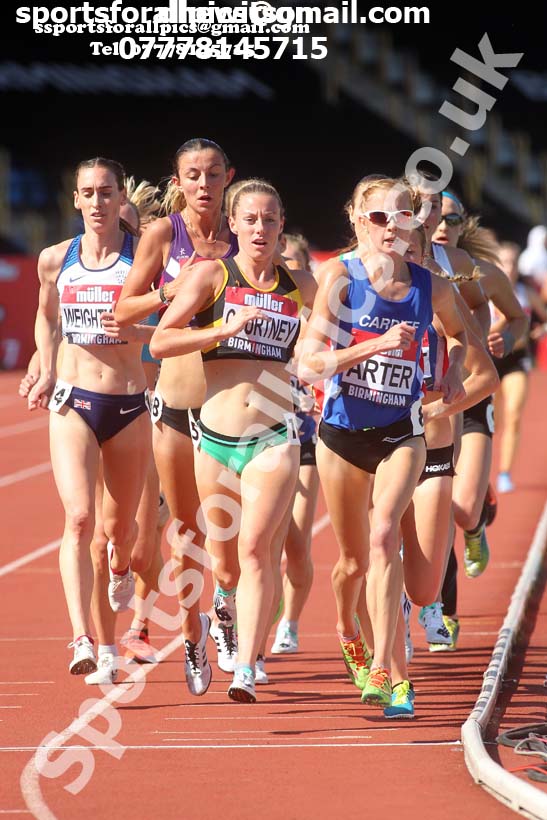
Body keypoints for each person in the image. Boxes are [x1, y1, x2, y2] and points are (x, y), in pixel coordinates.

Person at [298, 175, 466, 708]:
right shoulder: (340, 278)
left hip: (402, 432)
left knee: (383, 536)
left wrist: (454, 368)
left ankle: (388, 671)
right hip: (344, 434)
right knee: (351, 561)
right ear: (356, 220)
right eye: (378, 218)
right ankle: (348, 626)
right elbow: (307, 363)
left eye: (402, 217)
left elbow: (458, 333)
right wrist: (369, 350)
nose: (390, 227)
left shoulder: (430, 284)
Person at [150, 179, 316, 703]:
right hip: (215, 437)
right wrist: (220, 330)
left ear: (282, 224)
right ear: (235, 225)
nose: (260, 229)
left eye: (270, 220)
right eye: (250, 220)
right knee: (222, 565)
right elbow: (160, 341)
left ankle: (247, 665)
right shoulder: (211, 276)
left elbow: (344, 328)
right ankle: (222, 610)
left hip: (275, 435)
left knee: (256, 550)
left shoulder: (301, 284)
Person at [115, 138, 237, 695]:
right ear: (178, 180)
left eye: (214, 174)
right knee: (183, 533)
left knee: (235, 536)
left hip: (234, 407)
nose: (204, 184)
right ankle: (193, 635)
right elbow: (123, 310)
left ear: (229, 176)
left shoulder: (247, 232)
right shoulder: (164, 234)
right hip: (177, 403)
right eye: (193, 175)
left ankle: (228, 602)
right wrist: (174, 293)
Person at [27, 157, 152, 674]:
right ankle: (81, 637)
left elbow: (168, 331)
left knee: (118, 533)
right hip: (74, 402)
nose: (98, 202)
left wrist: (134, 334)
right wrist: (49, 366)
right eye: (88, 192)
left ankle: (120, 565)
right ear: (75, 199)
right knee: (79, 518)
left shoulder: (143, 260)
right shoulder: (56, 259)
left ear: (120, 199)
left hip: (127, 404)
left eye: (106, 192)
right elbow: (45, 315)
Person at [493, 241, 547, 493]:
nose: (510, 267)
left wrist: (539, 330)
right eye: (504, 262)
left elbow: (544, 316)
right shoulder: (484, 291)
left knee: (514, 415)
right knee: (493, 420)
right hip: (489, 360)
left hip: (516, 359)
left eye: (514, 262)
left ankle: (505, 473)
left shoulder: (526, 293)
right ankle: (481, 467)